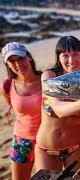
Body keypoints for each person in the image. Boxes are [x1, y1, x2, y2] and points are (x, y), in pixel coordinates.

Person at [35, 36, 80, 171]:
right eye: (65, 55)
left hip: (77, 146)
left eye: (75, 54)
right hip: (47, 150)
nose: (71, 60)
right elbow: (58, 109)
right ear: (59, 58)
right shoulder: (49, 77)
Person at [1, 42, 42, 180]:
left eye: (20, 58)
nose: (17, 63)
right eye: (12, 61)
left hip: (46, 140)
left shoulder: (46, 78)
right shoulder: (7, 85)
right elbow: (13, 106)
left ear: (29, 57)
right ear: (8, 65)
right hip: (21, 140)